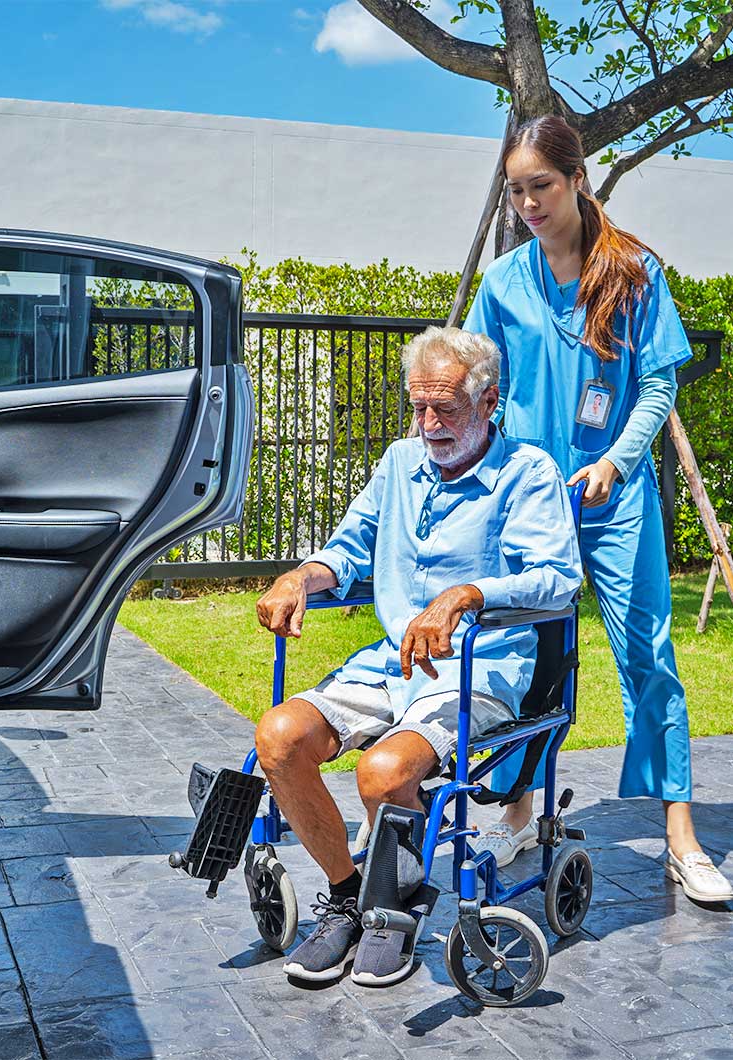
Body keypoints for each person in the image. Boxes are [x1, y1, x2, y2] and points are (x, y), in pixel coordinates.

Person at [254, 326, 582, 986]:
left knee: (381, 775)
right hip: (393, 660)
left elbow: (557, 578)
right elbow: (346, 550)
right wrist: (300, 576)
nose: (429, 424)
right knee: (279, 738)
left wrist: (469, 593)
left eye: (446, 409)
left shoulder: (527, 473)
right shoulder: (398, 464)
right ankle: (352, 896)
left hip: (481, 663)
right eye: (418, 407)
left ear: (489, 401)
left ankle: (394, 910)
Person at [465, 114, 733, 903]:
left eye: (540, 186)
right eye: (515, 191)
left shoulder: (634, 273)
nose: (527, 204)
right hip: (529, 505)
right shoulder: (502, 282)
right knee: (531, 658)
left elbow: (656, 387)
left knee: (647, 656)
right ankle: (517, 810)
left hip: (616, 500)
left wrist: (616, 462)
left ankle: (680, 836)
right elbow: (484, 386)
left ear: (577, 179)